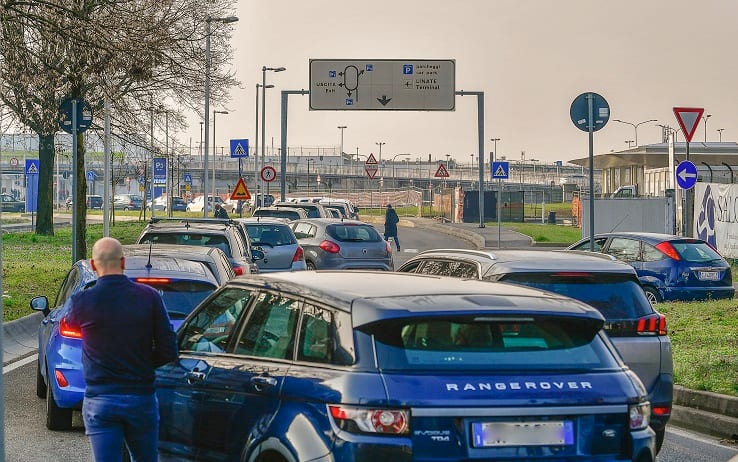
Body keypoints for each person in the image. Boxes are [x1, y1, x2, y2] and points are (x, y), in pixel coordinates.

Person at [66, 237, 177, 462]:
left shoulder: (82, 301)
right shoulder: (149, 297)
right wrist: (143, 364)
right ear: (123, 262)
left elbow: (71, 327)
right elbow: (168, 350)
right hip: (140, 397)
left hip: (101, 399)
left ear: (94, 264)